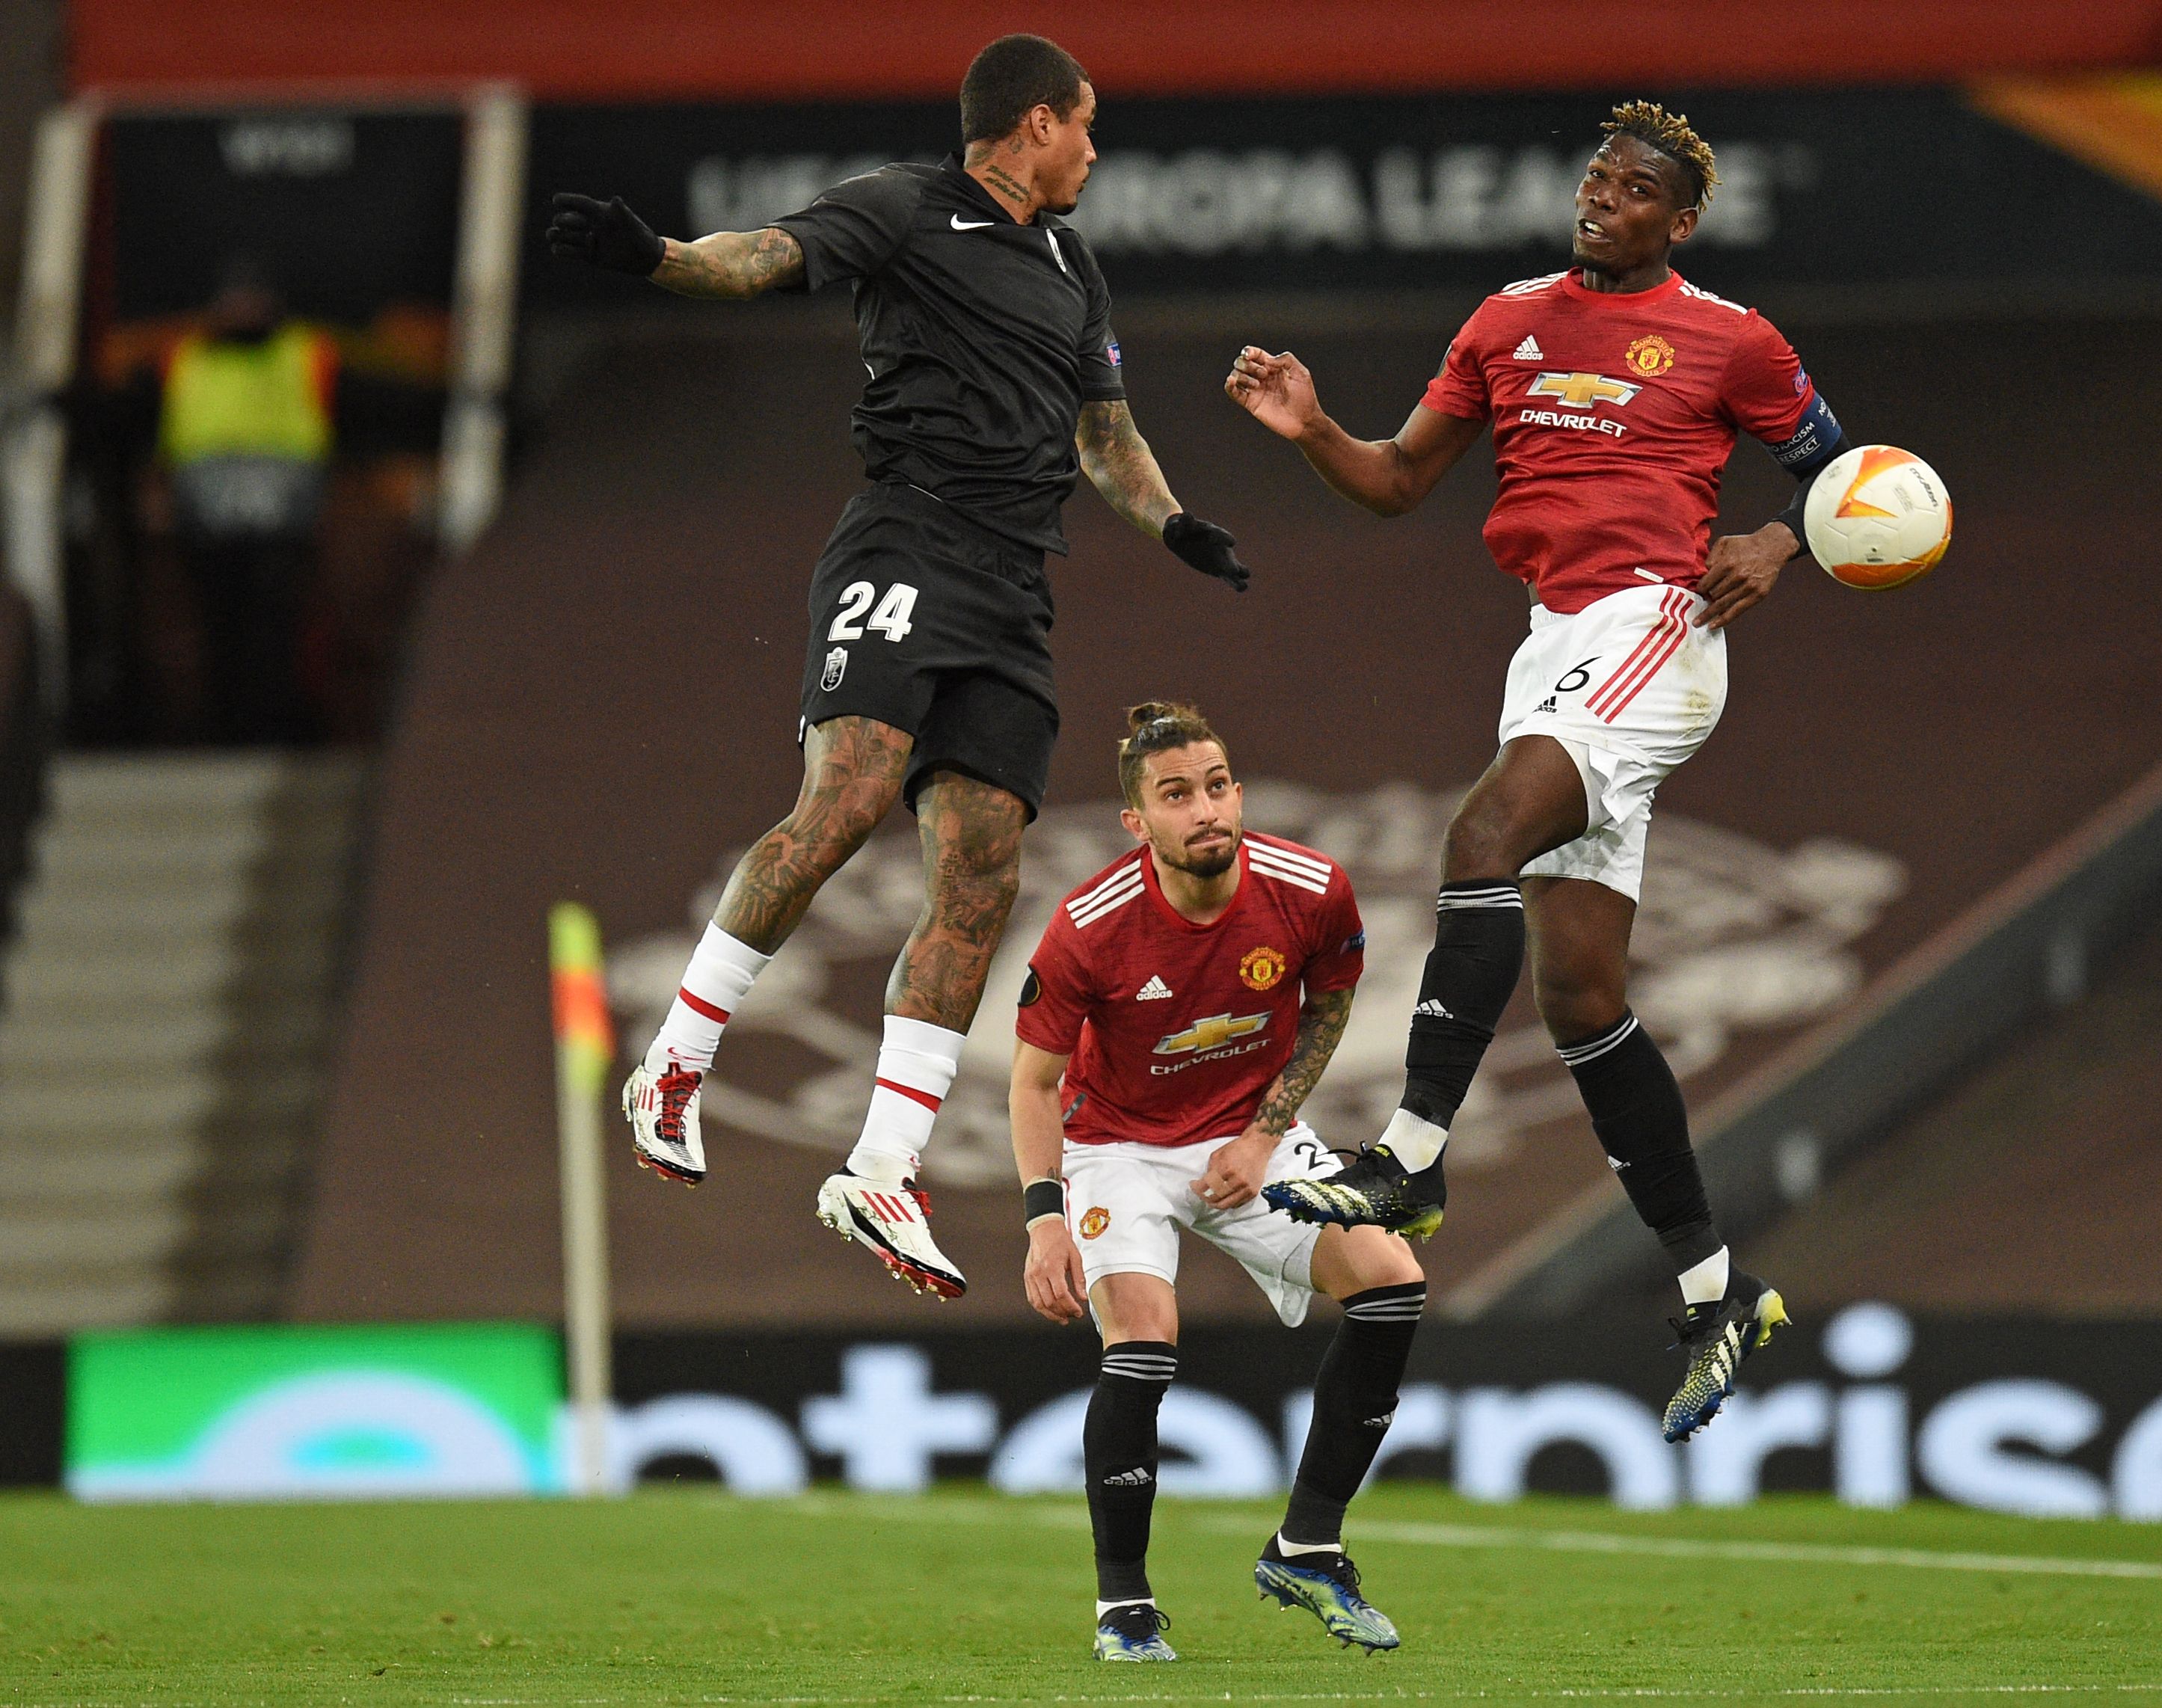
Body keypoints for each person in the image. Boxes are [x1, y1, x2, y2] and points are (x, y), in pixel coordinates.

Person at [544, 35, 1254, 1300]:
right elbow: (761, 256)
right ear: (1035, 124)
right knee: (850, 796)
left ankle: (882, 1162)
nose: (1096, 148)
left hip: (1011, 589)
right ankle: (675, 1059)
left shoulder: (1072, 267)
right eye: (1086, 125)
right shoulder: (902, 206)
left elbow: (1107, 432)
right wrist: (655, 258)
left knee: (984, 870)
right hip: (908, 533)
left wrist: (1174, 522)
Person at [1226, 101, 1854, 1443]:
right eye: (1595, 179)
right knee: (1581, 998)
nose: (1601, 199)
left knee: (1480, 832)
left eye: (1634, 191)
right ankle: (1716, 1288)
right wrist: (1311, 427)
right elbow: (1398, 480)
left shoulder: (1733, 337)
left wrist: (1783, 541)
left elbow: (1850, 466)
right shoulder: (1506, 319)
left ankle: (1406, 1159)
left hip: (1655, 628)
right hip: (1554, 643)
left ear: (1680, 222)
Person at [1013, 703, 1425, 1662]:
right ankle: (1125, 1607)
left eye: (1217, 784)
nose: (1206, 809)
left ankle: (1307, 1546)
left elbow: (1329, 1006)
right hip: (1118, 1146)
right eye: (1176, 795)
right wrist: (1044, 1223)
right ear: (1137, 822)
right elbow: (1032, 1084)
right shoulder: (1088, 928)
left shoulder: (1311, 888)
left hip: (1251, 1136)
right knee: (1146, 1336)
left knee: (1391, 1277)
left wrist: (1263, 1130)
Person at [152, 257, 337, 743]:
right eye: (233, 302)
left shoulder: (305, 353)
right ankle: (223, 728)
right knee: (219, 626)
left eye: (252, 301)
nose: (243, 312)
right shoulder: (186, 357)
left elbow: (372, 400)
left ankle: (271, 727)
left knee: (275, 625)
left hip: (282, 522)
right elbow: (137, 408)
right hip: (208, 523)